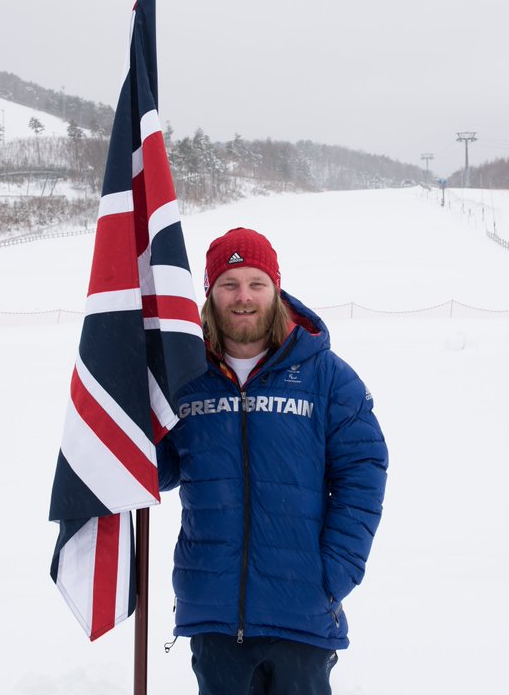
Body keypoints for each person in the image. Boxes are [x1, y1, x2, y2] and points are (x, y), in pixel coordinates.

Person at [157, 227, 388, 695]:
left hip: (300, 613)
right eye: (229, 284)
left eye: (256, 283)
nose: (244, 297)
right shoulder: (185, 378)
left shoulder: (326, 377)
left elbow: (363, 472)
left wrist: (332, 574)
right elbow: (158, 472)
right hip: (213, 615)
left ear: (275, 290)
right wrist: (132, 402)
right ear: (210, 293)